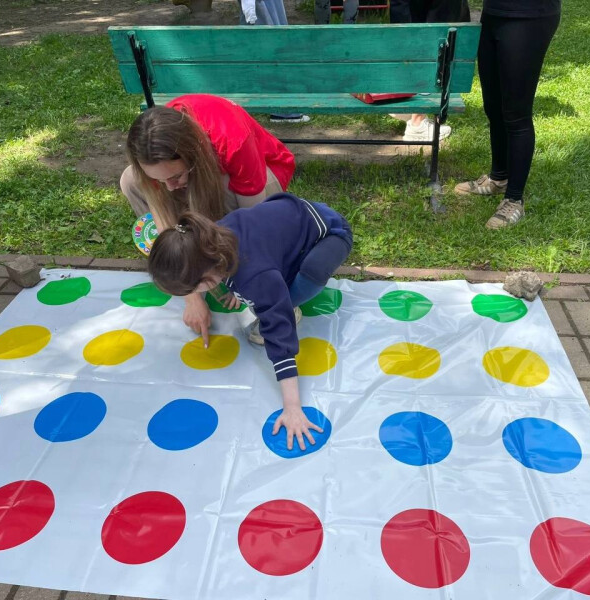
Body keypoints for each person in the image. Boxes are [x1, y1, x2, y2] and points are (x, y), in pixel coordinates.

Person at [147, 193, 353, 451]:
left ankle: (292, 302)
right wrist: (237, 289)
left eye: (191, 290)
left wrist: (292, 407)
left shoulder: (255, 276)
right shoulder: (206, 238)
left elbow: (279, 334)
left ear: (208, 278)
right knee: (267, 281)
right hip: (295, 221)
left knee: (290, 291)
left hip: (331, 234)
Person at [122, 94, 296, 342]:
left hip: (262, 177)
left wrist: (243, 280)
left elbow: (254, 223)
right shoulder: (154, 145)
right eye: (159, 180)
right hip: (204, 175)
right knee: (130, 180)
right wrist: (191, 297)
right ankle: (191, 257)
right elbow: (165, 223)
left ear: (191, 153)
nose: (169, 188)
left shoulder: (232, 141)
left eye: (175, 176)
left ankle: (211, 253)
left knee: (227, 195)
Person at [454, 0, 560, 229]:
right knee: (493, 106)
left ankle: (514, 199)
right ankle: (498, 178)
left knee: (516, 114)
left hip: (527, 16)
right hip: (493, 13)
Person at [390, 0, 471, 142]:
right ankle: (417, 123)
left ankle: (403, 99)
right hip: (432, 27)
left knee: (415, 40)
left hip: (407, 27)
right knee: (435, 48)